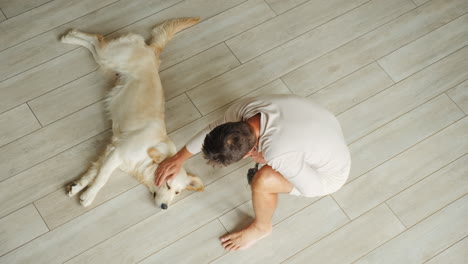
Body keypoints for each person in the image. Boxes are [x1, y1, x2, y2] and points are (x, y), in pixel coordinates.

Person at [154, 94, 351, 251]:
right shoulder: (245, 109)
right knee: (277, 160)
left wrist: (269, 160)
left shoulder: (276, 151)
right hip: (325, 124)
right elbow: (212, 129)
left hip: (328, 175)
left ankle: (262, 228)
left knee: (262, 180)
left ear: (249, 153)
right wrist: (178, 158)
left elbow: (311, 188)